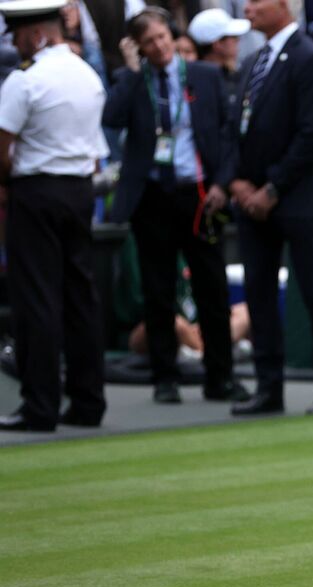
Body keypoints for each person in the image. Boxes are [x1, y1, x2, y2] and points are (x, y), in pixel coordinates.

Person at [102, 7, 248, 405]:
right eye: (148, 42)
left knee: (211, 286)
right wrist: (131, 71)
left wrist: (222, 184)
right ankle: (164, 377)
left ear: (172, 36)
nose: (158, 47)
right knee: (158, 289)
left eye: (162, 38)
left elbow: (228, 135)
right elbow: (111, 117)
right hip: (152, 196)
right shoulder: (134, 80)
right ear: (139, 47)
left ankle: (220, 375)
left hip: (199, 194)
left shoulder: (204, 75)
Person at [229, 0, 313, 415]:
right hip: (251, 202)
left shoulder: (310, 58)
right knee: (258, 297)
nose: (247, 8)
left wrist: (272, 188)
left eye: (256, 1)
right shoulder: (253, 60)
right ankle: (268, 388)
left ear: (284, 5)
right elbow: (235, 128)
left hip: (296, 200)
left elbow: (311, 133)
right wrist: (237, 182)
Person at [0, 0, 108, 432]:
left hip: (36, 192)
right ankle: (88, 402)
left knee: (37, 298)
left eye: (18, 36)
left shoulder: (25, 79)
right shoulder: (88, 75)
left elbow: (1, 150)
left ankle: (40, 406)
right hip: (79, 191)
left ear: (36, 34)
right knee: (80, 297)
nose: (16, 44)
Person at [189, 7, 252, 101]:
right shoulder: (200, 86)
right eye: (233, 36)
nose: (237, 40)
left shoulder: (236, 75)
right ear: (217, 44)